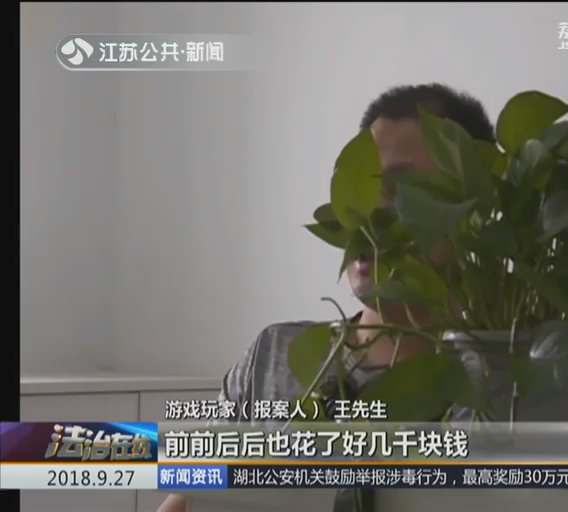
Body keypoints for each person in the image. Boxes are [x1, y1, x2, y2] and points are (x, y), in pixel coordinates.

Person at [157, 83, 496, 512]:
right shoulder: (273, 355)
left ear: (470, 213)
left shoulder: (502, 381)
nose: (370, 214)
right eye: (360, 190)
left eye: (404, 190)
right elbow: (185, 501)